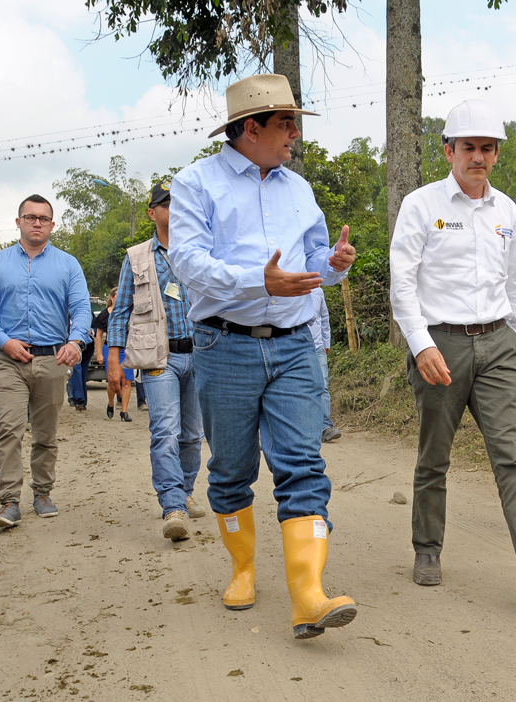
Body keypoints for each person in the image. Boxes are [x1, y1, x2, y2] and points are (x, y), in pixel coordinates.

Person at [169, 73, 359, 640]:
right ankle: (243, 568)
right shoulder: (195, 183)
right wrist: (261, 282)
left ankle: (308, 595)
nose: (295, 134)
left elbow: (314, 260)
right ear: (250, 128)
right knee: (231, 470)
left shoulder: (297, 188)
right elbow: (189, 263)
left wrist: (336, 261)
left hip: (296, 345)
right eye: (286, 123)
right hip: (224, 345)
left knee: (303, 464)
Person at [389, 99, 516, 611]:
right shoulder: (421, 205)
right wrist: (421, 343)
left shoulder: (507, 210)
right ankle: (427, 549)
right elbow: (402, 282)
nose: (478, 157)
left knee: (511, 458)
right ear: (449, 150)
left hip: (498, 343)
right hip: (441, 345)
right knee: (435, 456)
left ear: (496, 154)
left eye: (488, 148)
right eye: (469, 147)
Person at [0, 194, 92, 529]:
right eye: (30, 217)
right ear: (18, 222)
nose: (36, 223)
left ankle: (42, 492)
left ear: (53, 225)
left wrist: (75, 340)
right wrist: (4, 340)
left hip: (52, 358)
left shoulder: (68, 264)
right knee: (8, 428)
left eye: (43, 218)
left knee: (45, 432)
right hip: (7, 359)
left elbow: (82, 308)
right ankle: (10, 500)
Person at [107, 181, 205, 542]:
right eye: (166, 204)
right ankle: (173, 506)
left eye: (178, 204)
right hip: (158, 358)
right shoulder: (136, 257)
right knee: (165, 430)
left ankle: (187, 489)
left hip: (201, 355)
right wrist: (115, 363)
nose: (173, 210)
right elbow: (121, 314)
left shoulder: (201, 248)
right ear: (152, 212)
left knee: (194, 434)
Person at [93, 288, 133, 422]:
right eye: (117, 296)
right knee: (113, 379)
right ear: (112, 298)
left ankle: (124, 411)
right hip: (109, 348)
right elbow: (98, 335)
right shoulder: (105, 314)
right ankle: (111, 403)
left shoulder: (128, 313)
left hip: (126, 348)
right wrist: (99, 353)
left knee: (127, 380)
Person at [309, 288, 341, 443]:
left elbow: (323, 317)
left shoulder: (318, 291)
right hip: (295, 346)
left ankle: (324, 427)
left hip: (317, 346)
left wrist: (325, 341)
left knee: (323, 385)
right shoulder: (289, 286)